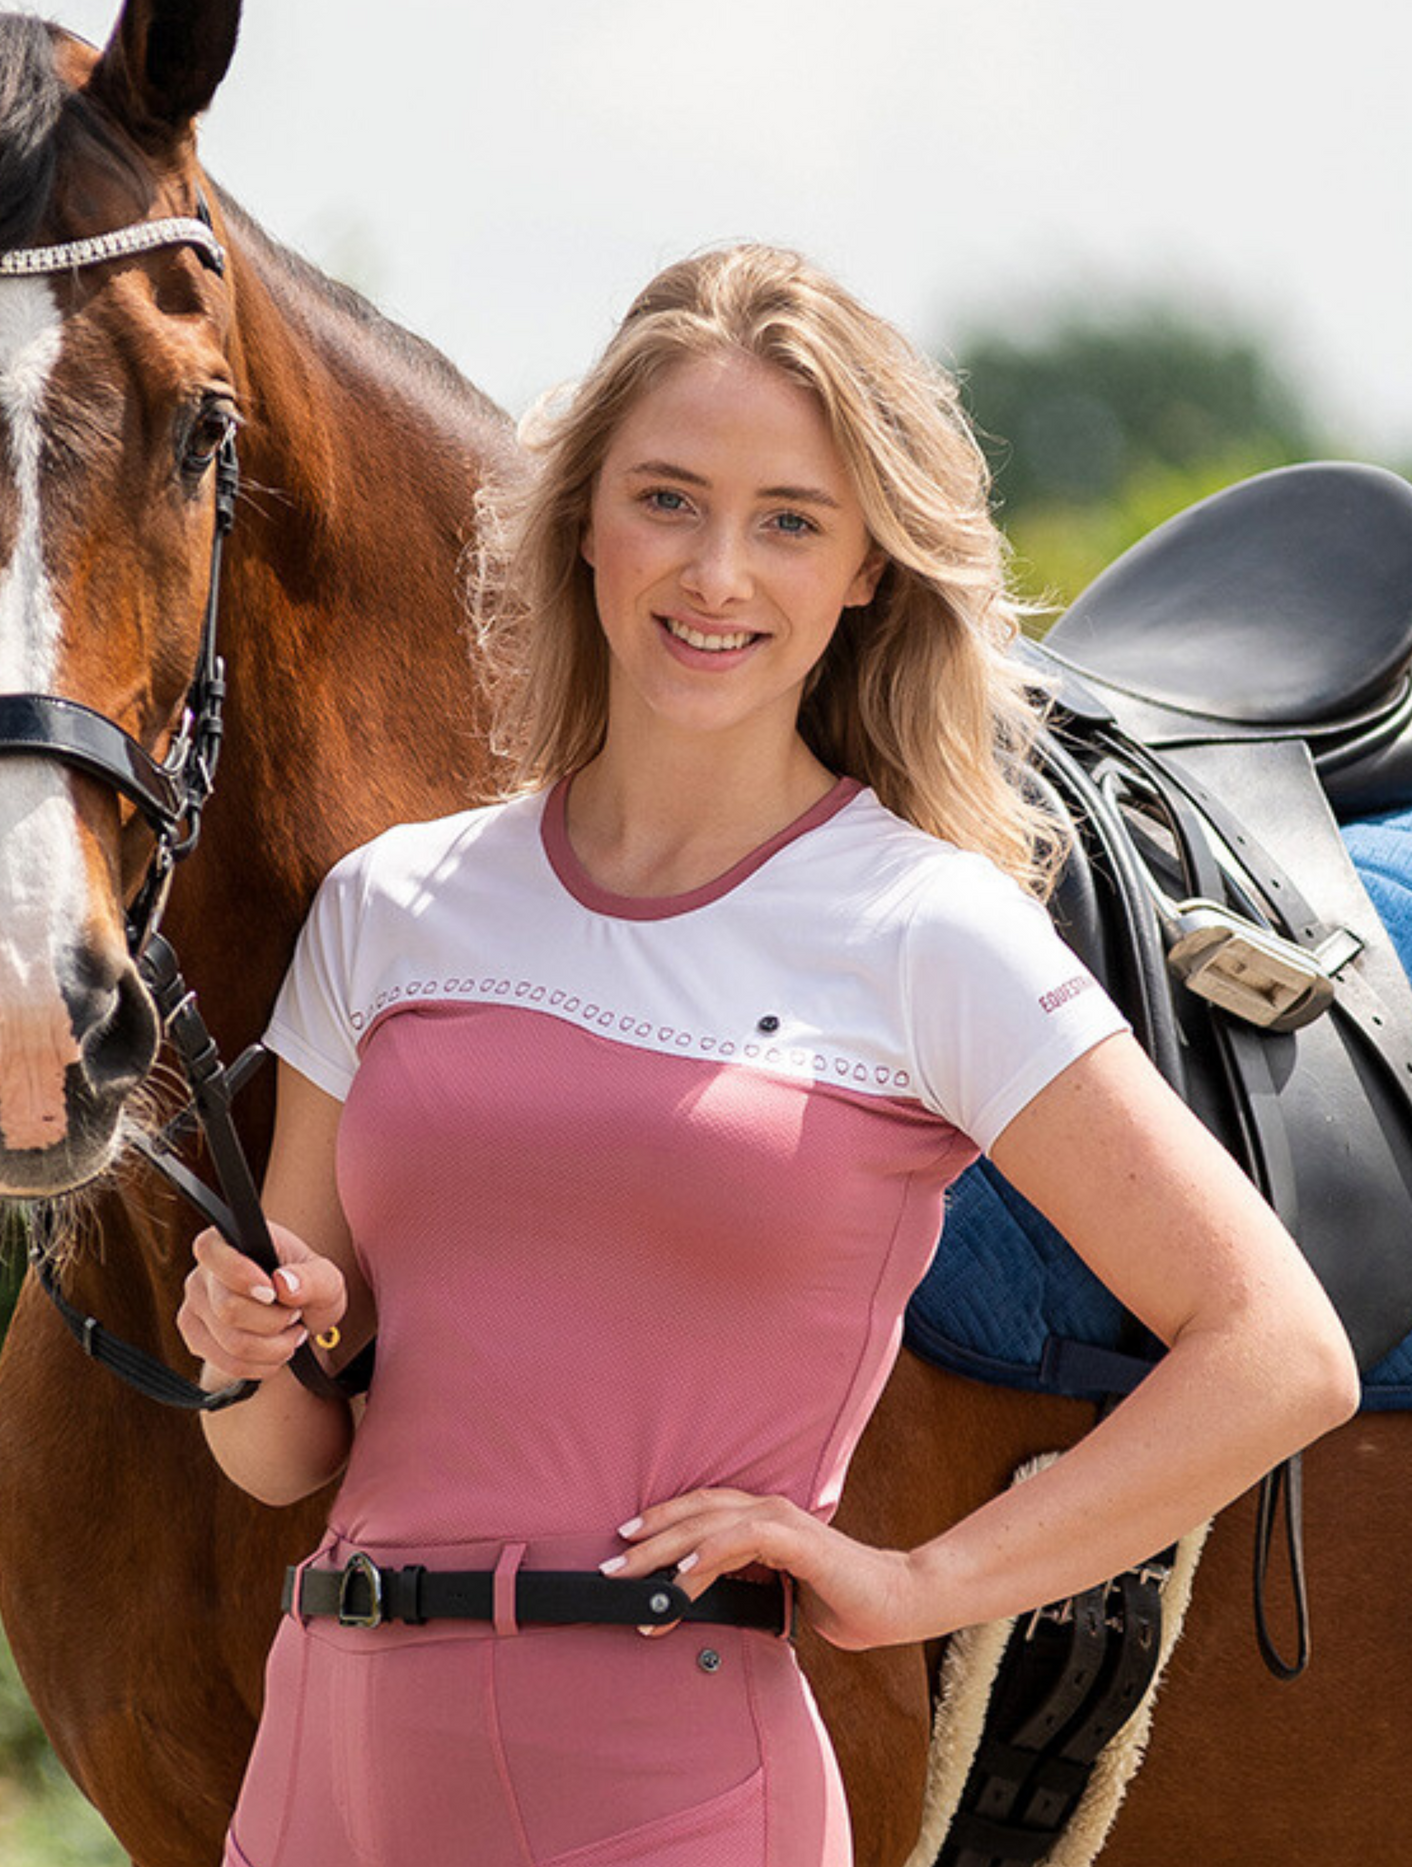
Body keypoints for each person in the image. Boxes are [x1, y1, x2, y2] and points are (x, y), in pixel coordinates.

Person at [177, 244, 1358, 1866]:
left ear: (867, 569)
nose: (717, 572)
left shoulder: (925, 928)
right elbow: (280, 1456)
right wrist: (250, 1347)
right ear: (583, 517)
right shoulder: (391, 906)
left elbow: (1279, 1348)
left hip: (671, 1784)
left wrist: (921, 1585)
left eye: (790, 520)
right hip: (331, 1768)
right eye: (668, 498)